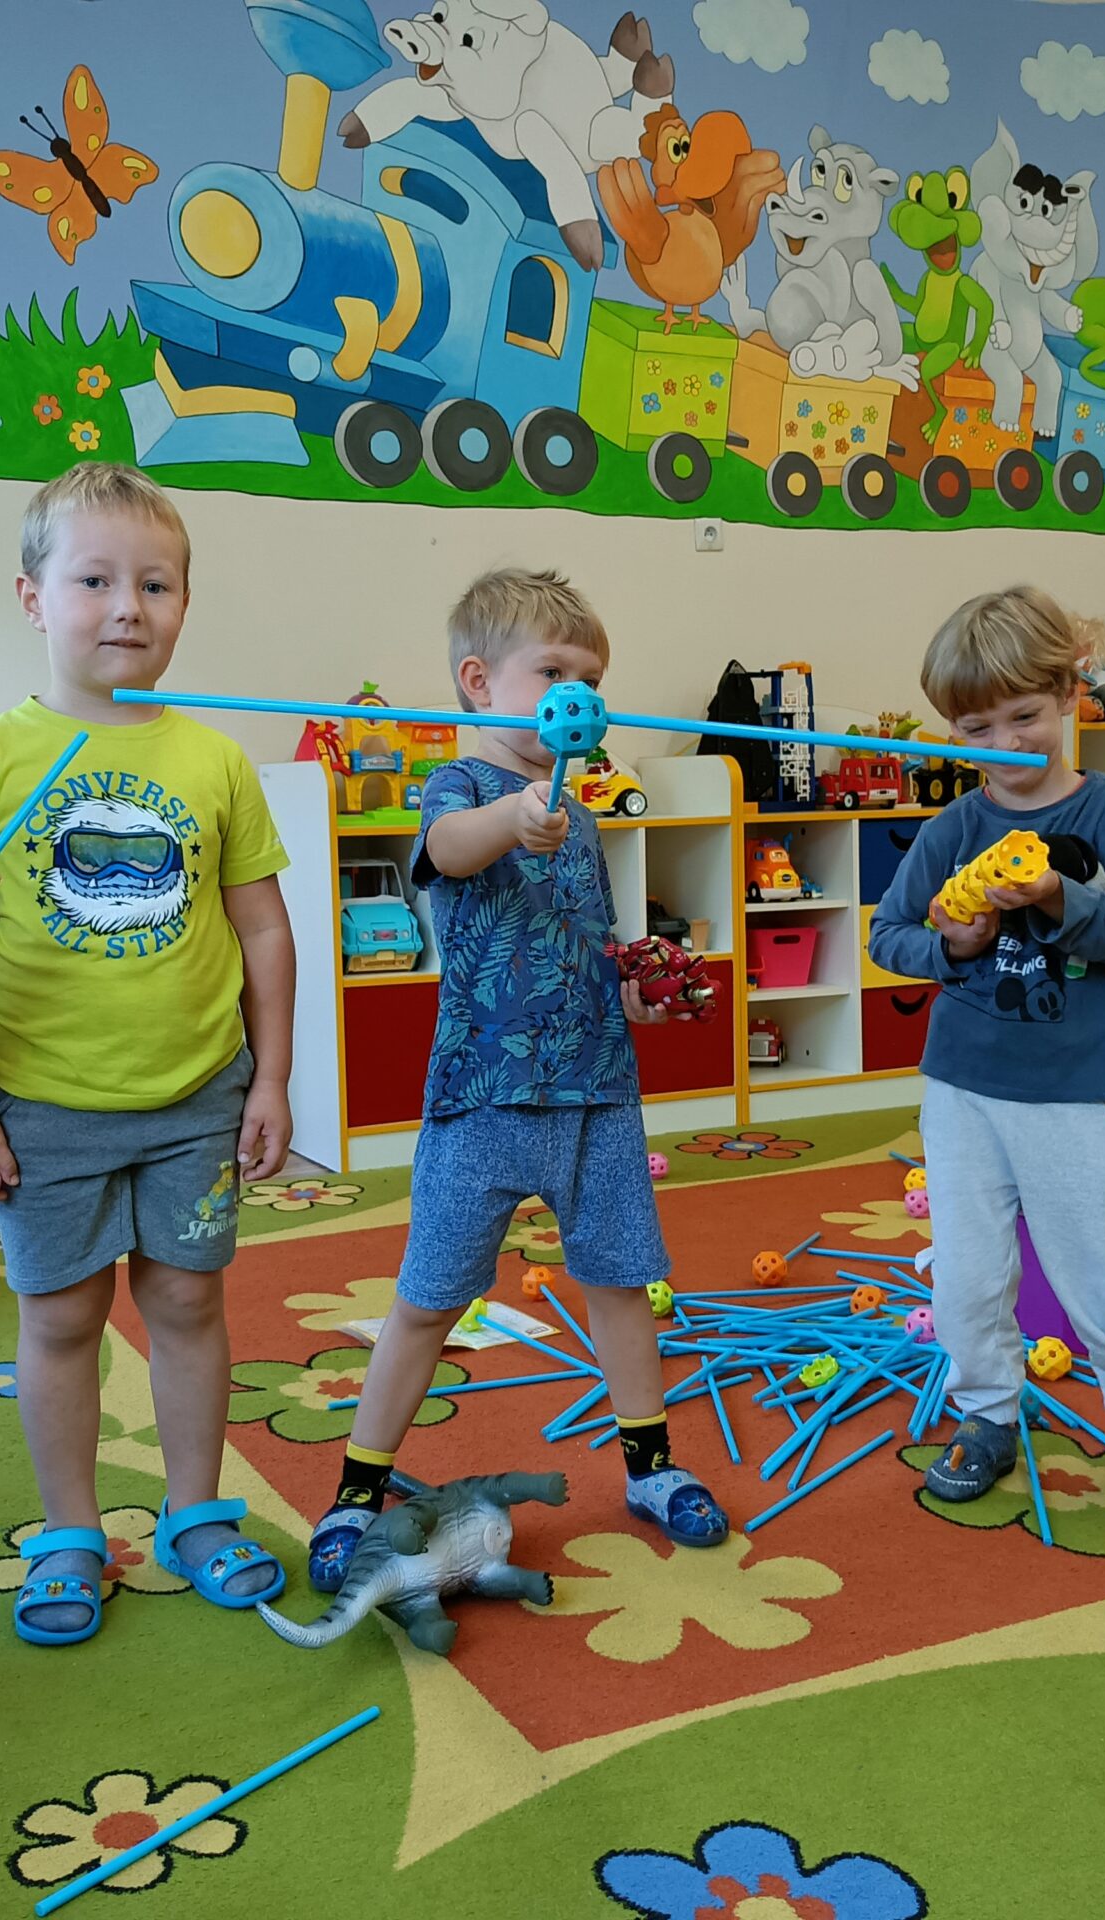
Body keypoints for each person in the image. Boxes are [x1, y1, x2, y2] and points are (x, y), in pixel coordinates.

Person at [0, 463, 296, 1642]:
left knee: (186, 1300)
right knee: (63, 1319)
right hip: (44, 1103)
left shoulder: (215, 761)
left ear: (183, 604)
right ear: (32, 597)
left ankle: (196, 1512)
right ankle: (72, 1532)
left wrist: (273, 1078)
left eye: (156, 584)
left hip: (197, 1097)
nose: (127, 606)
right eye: (94, 581)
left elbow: (263, 929)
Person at [305, 569, 723, 1593]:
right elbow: (449, 850)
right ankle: (356, 1491)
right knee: (427, 1299)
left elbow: (585, 945)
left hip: (596, 1094)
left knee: (620, 1284)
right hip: (482, 1098)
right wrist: (516, 818)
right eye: (553, 672)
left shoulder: (581, 816)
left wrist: (638, 998)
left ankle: (651, 1469)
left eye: (592, 679)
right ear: (479, 682)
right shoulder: (460, 789)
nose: (577, 694)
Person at [869, 587, 1105, 1516]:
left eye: (1024, 716)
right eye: (977, 728)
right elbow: (888, 935)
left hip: (1075, 1087)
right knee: (969, 1273)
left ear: (1069, 695)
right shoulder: (951, 828)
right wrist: (952, 947)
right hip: (964, 1089)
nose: (1006, 744)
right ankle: (984, 1412)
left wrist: (1059, 897)